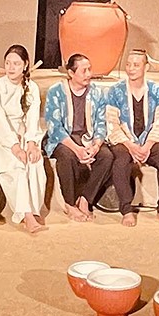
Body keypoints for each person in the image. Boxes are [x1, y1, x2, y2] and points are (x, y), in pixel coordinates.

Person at [104, 50, 159, 227]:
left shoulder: (156, 91)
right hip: (124, 141)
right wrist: (130, 146)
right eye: (128, 64)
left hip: (148, 141)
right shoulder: (116, 91)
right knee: (121, 162)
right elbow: (112, 122)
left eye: (136, 65)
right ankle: (126, 210)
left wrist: (147, 146)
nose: (131, 68)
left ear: (146, 67)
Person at [0, 44, 48, 234]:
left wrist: (31, 143)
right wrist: (15, 147)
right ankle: (26, 215)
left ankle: (34, 210)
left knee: (35, 163)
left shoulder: (31, 87)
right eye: (8, 63)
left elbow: (32, 117)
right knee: (17, 167)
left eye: (16, 64)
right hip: (0, 137)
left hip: (23, 134)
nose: (11, 68)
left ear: (25, 65)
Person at [43, 53, 112, 222]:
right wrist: (77, 149)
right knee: (67, 157)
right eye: (84, 71)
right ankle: (69, 203)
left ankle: (85, 199)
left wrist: (96, 146)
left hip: (88, 138)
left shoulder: (97, 92)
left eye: (89, 69)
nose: (88, 74)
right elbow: (54, 127)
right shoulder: (56, 91)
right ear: (71, 73)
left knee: (107, 156)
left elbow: (101, 124)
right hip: (63, 139)